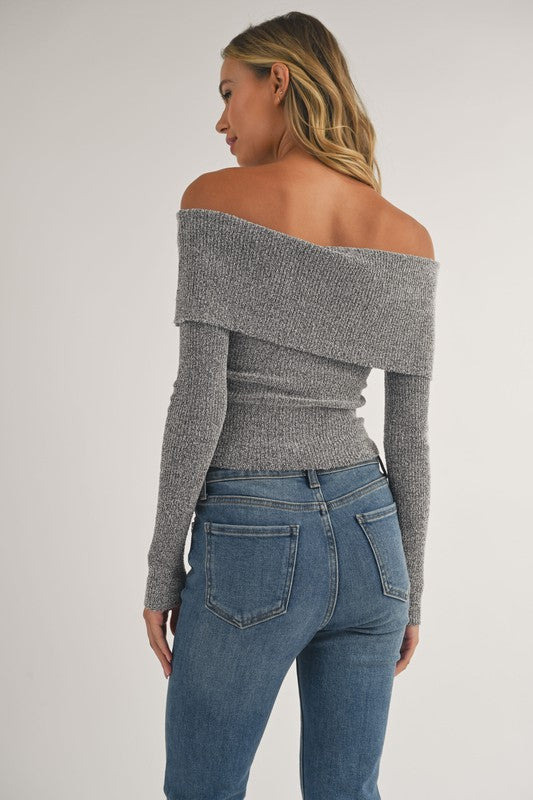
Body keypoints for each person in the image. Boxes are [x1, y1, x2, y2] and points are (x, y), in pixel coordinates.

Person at [143, 11, 440, 800]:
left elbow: (199, 401)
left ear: (277, 80)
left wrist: (161, 570)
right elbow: (408, 441)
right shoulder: (406, 236)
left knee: (201, 790)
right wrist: (410, 586)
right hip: (373, 536)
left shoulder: (213, 201)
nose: (221, 120)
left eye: (228, 93)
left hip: (252, 532)